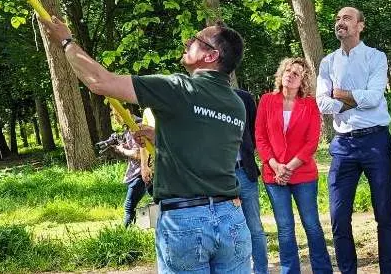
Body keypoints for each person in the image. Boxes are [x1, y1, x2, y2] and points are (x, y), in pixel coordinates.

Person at [42, 17, 251, 272]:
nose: (187, 42)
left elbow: (99, 81)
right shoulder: (235, 104)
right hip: (232, 219)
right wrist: (160, 137)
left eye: (196, 40)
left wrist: (65, 41)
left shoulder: (178, 88)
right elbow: (204, 146)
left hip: (185, 221)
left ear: (211, 56)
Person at [316, 7, 391, 273]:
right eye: (338, 18)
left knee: (384, 213)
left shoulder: (376, 57)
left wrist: (339, 94)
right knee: (339, 217)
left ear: (361, 26)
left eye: (347, 18)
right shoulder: (327, 62)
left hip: (375, 141)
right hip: (342, 145)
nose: (340, 22)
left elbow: (375, 97)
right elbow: (322, 103)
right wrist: (352, 99)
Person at [256, 57, 332, 274]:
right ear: (281, 73)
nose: (290, 74)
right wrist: (276, 166)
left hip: (303, 174)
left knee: (312, 225)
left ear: (303, 80)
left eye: (296, 73)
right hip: (274, 175)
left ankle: (323, 270)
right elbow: (260, 137)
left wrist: (288, 167)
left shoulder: (309, 105)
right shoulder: (267, 101)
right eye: (288, 70)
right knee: (285, 228)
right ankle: (290, 271)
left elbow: (311, 143)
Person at [233, 87, 269, 274]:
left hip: (244, 172)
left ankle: (261, 270)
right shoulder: (200, 98)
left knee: (254, 226)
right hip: (215, 178)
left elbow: (255, 131)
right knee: (226, 229)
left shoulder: (244, 98)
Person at [111, 116, 149, 228]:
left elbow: (138, 154)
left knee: (129, 206)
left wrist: (123, 150)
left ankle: (126, 233)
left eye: (115, 114)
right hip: (139, 173)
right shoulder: (128, 127)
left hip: (141, 173)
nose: (115, 118)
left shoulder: (135, 127)